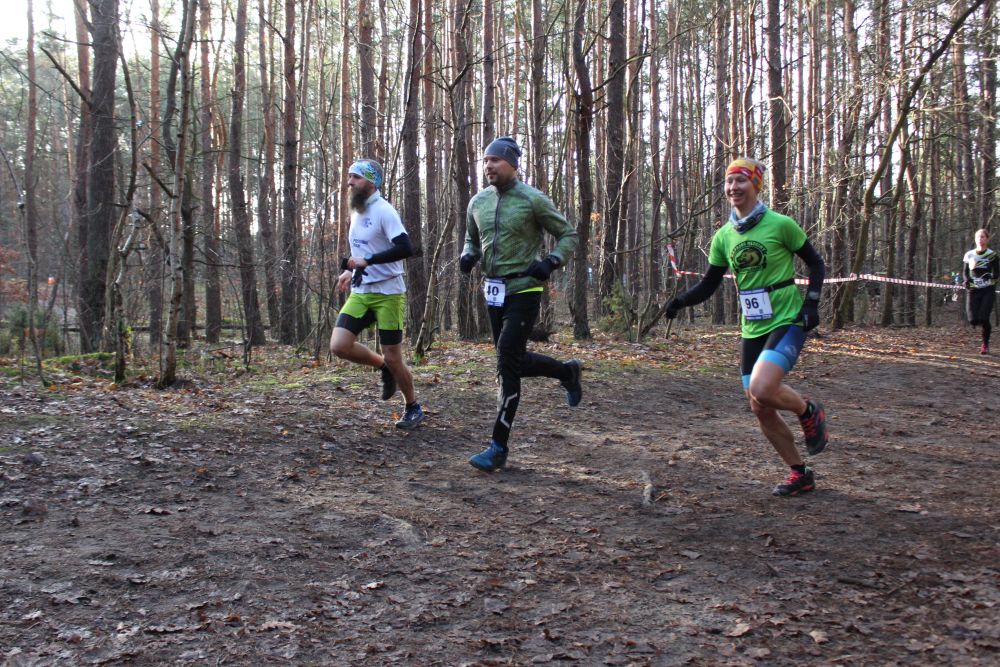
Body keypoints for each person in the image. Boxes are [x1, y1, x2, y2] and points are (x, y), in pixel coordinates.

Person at [665, 158, 828, 497]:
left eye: (740, 181)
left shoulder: (780, 224)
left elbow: (816, 263)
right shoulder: (724, 236)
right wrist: (680, 301)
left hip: (786, 318)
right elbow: (709, 284)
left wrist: (811, 303)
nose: (733, 188)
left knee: (763, 388)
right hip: (752, 327)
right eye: (728, 182)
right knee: (759, 406)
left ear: (756, 185)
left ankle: (808, 410)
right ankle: (800, 473)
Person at [459, 136, 582, 472]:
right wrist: (469, 254)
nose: (489, 165)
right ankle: (566, 371)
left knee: (506, 361)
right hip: (493, 290)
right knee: (510, 361)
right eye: (486, 160)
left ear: (512, 164)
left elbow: (568, 234)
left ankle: (498, 447)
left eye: (496, 160)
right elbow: (472, 238)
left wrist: (552, 261)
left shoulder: (532, 199)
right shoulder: (478, 202)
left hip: (525, 288)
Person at [329, 159, 425, 429]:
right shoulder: (358, 210)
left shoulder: (384, 211)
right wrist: (350, 270)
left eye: (356, 177)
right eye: (350, 176)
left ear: (372, 182)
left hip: (388, 293)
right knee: (339, 346)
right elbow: (362, 250)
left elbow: (406, 248)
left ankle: (412, 406)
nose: (350, 182)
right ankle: (383, 367)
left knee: (395, 357)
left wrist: (368, 261)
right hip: (362, 291)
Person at [962, 228, 998, 355]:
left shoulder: (992, 255)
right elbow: (965, 272)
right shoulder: (969, 254)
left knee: (984, 318)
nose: (980, 239)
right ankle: (977, 323)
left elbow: (997, 272)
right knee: (972, 320)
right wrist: (966, 280)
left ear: (987, 239)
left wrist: (991, 276)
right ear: (975, 239)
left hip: (988, 290)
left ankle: (985, 345)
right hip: (973, 290)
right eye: (978, 237)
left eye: (983, 237)